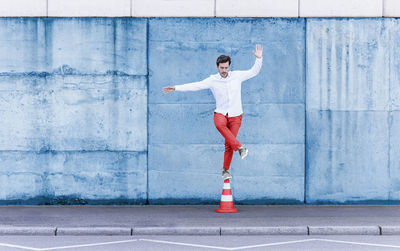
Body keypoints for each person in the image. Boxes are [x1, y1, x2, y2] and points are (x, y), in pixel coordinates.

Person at [163, 45, 263, 180]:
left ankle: (225, 170)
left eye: (226, 67)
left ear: (229, 66)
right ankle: (240, 148)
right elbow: (195, 86)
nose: (224, 70)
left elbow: (254, 72)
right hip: (221, 113)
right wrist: (176, 88)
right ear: (217, 67)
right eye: (221, 68)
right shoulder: (212, 80)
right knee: (219, 125)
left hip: (236, 115)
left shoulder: (237, 76)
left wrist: (259, 58)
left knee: (229, 144)